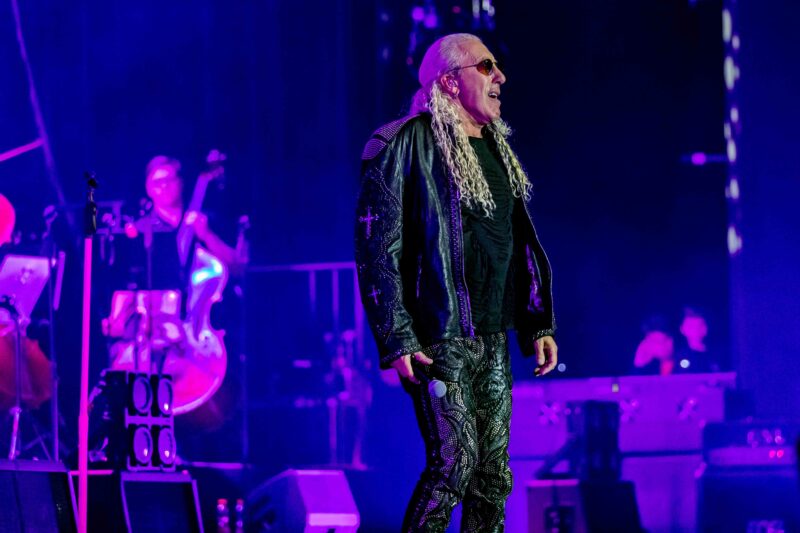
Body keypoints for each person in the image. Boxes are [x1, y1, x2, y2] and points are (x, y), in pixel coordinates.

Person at [355, 33, 557, 532]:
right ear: (448, 81)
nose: (500, 77)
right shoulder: (403, 142)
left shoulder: (496, 149)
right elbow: (377, 245)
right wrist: (396, 335)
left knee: (493, 475)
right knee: (455, 462)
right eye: (486, 67)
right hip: (437, 335)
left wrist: (537, 321)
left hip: (491, 334)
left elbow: (518, 241)